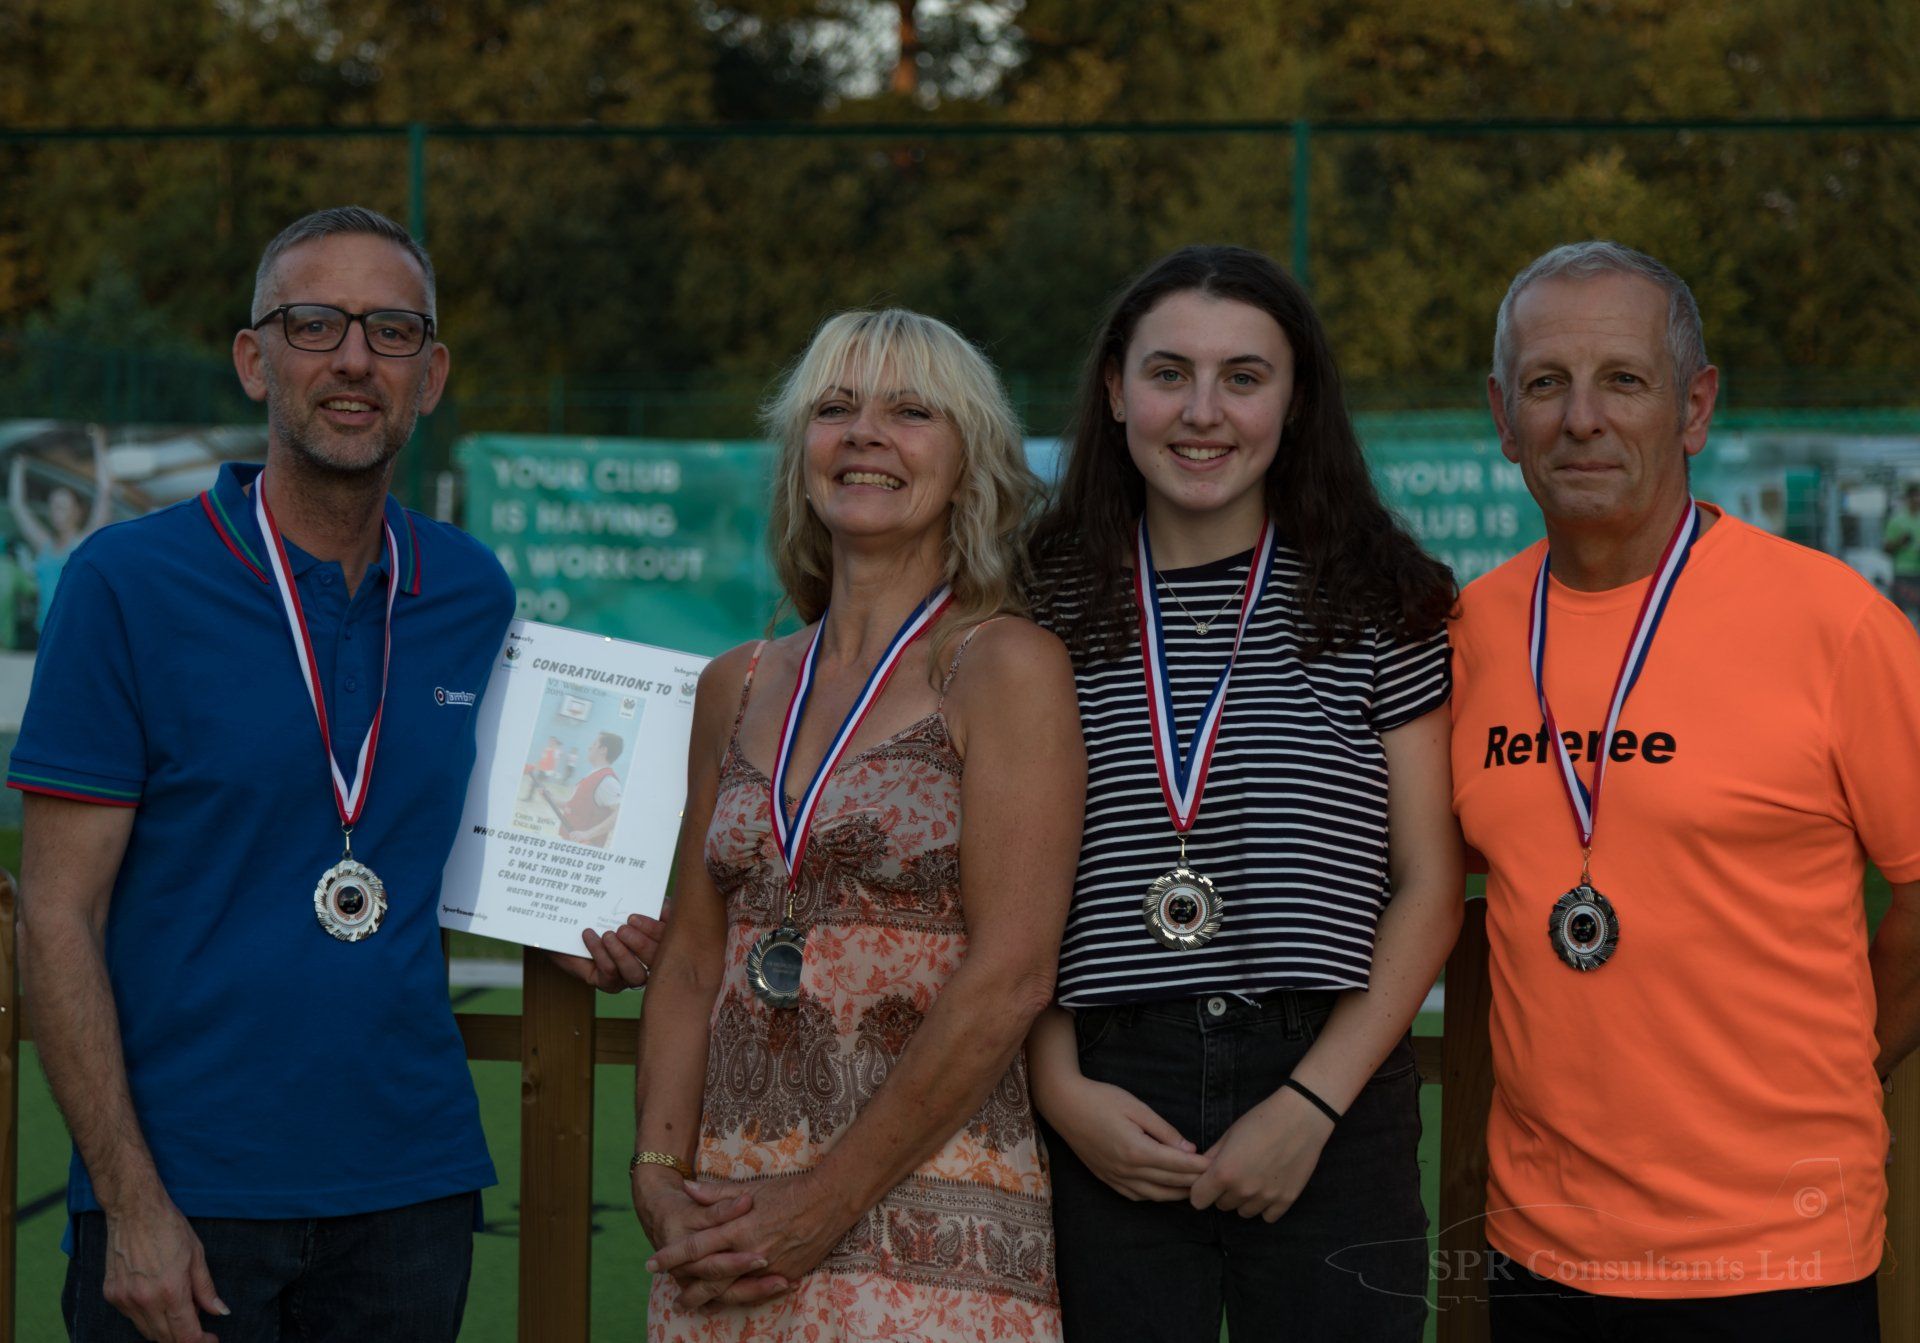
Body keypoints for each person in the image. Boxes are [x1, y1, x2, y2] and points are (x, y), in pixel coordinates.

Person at [11, 206, 660, 1343]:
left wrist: (558, 915)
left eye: (392, 330)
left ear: (431, 374)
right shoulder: (125, 583)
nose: (355, 358)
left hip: (409, 1188)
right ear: (254, 358)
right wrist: (130, 1200)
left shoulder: (472, 591)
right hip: (187, 1193)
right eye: (315, 323)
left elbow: (468, 834)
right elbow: (58, 913)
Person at [1453, 240, 1920, 1340]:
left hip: (1782, 1250)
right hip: (1544, 1248)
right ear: (1504, 417)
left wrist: (1842, 1066)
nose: (1582, 419)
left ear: (1695, 406)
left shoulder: (1835, 624)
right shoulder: (1471, 633)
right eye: (1546, 383)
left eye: (1624, 379)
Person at [1023, 244, 1464, 1342]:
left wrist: (1311, 1105)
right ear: (1115, 390)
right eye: (1169, 373)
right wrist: (1059, 1088)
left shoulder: (1383, 598)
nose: (1203, 412)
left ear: (1295, 398)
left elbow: (1428, 881)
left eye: (1244, 377)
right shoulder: (1034, 604)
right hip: (1105, 1084)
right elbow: (1002, 885)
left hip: (1327, 1079)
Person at [632, 308, 1084, 1342]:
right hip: (725, 1224)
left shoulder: (1005, 666)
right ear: (801, 454)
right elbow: (693, 956)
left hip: (931, 1224)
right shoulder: (737, 684)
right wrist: (658, 1176)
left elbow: (1013, 973)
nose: (866, 432)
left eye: (911, 411)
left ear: (969, 464)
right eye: (835, 408)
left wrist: (824, 1202)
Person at [9, 423, 114, 632]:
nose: (57, 511)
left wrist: (98, 443)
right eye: (54, 506)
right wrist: (19, 467)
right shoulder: (44, 545)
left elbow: (104, 492)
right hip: (45, 633)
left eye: (63, 506)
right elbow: (17, 506)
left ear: (77, 512)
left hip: (74, 632)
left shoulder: (83, 542)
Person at [556, 729, 624, 846]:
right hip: (570, 842)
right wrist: (549, 798)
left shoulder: (608, 781)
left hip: (585, 847)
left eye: (594, 744)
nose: (589, 747)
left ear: (603, 750)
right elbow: (576, 807)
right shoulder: (593, 775)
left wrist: (587, 834)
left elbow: (620, 814)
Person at [1884, 480, 1920, 627]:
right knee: (1901, 614)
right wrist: (1900, 542)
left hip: (1918, 572)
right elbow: (1886, 549)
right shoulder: (1897, 520)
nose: (1918, 500)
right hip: (1903, 572)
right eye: (1915, 496)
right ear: (1908, 498)